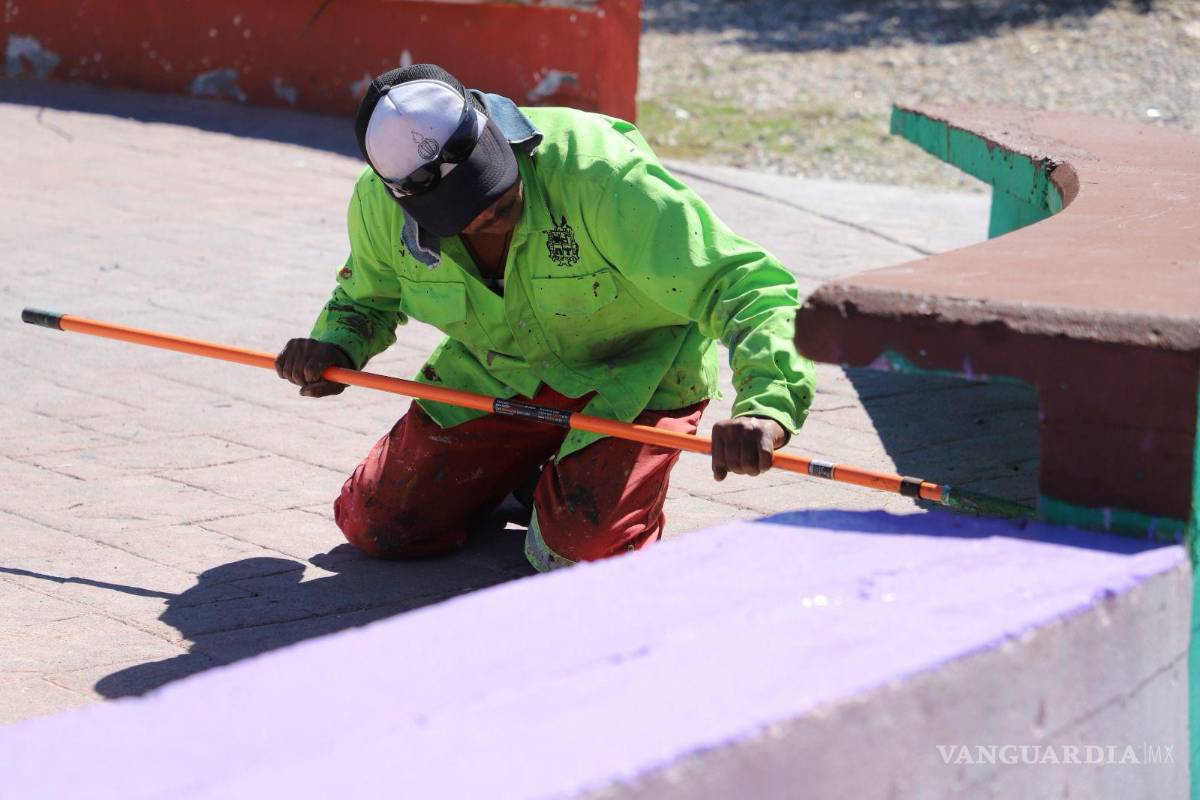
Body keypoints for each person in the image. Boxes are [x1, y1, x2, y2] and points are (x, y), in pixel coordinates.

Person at [275, 64, 815, 571]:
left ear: (492, 130)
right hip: (497, 375)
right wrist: (334, 345)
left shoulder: (598, 171)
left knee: (581, 558)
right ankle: (528, 474)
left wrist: (766, 407)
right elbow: (366, 298)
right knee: (377, 525)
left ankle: (558, 487)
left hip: (637, 378)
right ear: (408, 203)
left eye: (490, 179)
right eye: (462, 211)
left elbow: (746, 285)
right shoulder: (377, 205)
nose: (489, 208)